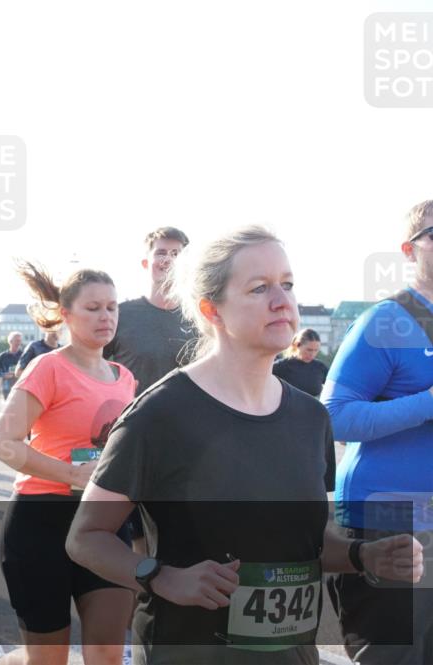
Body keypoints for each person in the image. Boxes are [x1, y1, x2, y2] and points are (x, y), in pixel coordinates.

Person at [64, 227, 422, 665]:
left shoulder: (310, 418)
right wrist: (159, 576)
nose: (281, 300)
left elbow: (300, 544)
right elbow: (85, 538)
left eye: (287, 284)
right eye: (259, 288)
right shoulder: (162, 414)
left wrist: (362, 556)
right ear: (212, 309)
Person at [0, 262, 136, 665]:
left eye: (112, 307)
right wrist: (72, 474)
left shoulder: (125, 379)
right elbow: (2, 443)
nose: (106, 317)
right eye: (94, 308)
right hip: (40, 523)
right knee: (48, 660)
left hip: (103, 527)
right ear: (66, 314)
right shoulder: (48, 367)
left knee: (106, 656)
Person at [323, 199, 433, 664]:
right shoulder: (387, 321)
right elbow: (333, 415)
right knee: (394, 656)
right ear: (409, 250)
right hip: (387, 517)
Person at [104, 226, 194, 394]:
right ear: (145, 263)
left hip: (186, 418)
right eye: (161, 252)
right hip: (132, 418)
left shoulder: (199, 320)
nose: (168, 259)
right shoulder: (119, 315)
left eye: (175, 254)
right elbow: (89, 364)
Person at [273, 328, 328, 398]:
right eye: (309, 350)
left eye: (316, 350)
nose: (312, 354)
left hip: (313, 408)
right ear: (297, 345)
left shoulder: (321, 368)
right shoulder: (281, 366)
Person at [0, 332, 23, 400]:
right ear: (10, 342)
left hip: (21, 386)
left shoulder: (24, 355)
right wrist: (4, 375)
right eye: (17, 340)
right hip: (7, 387)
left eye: (20, 341)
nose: (19, 343)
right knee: (8, 407)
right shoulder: (2, 356)